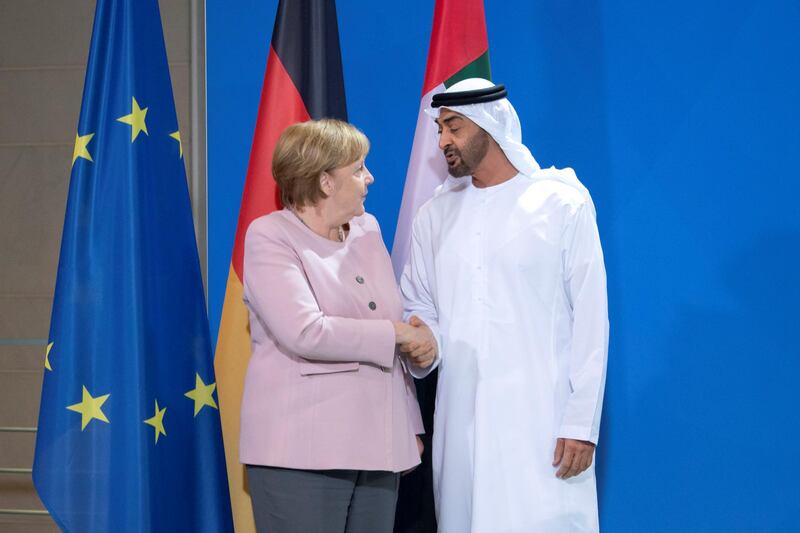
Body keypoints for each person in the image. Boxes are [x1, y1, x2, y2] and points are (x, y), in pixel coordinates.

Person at [400, 78, 609, 533]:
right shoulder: (433, 216)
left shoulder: (561, 202)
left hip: (543, 421)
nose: (442, 142)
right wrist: (423, 343)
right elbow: (420, 305)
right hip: (461, 424)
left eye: (452, 127)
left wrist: (581, 423)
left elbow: (592, 322)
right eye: (439, 129)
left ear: (488, 125)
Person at [239, 119, 429, 533]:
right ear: (325, 182)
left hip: (380, 445)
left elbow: (387, 323)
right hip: (301, 450)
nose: (369, 177)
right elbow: (306, 332)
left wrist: (409, 421)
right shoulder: (269, 236)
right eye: (359, 168)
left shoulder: (367, 230)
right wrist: (397, 335)